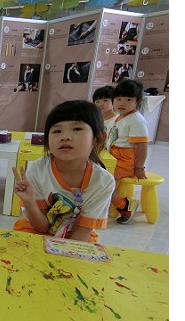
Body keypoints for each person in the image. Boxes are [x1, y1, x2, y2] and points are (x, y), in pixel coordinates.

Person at [12, 100, 114, 243]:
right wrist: (29, 202)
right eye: (57, 131)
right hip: (36, 230)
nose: (65, 136)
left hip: (77, 235)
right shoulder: (38, 170)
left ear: (98, 138)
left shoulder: (103, 182)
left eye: (77, 129)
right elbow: (41, 227)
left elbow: (82, 231)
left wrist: (64, 252)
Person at [109, 79, 149, 224]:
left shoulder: (136, 120)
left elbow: (143, 145)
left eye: (128, 100)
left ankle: (124, 205)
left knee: (105, 182)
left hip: (125, 160)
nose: (122, 103)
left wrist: (139, 167)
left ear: (137, 101)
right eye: (119, 99)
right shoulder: (120, 116)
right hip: (114, 156)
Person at [93, 85, 117, 150]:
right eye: (97, 101)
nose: (101, 104)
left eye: (105, 100)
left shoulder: (117, 119)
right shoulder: (94, 119)